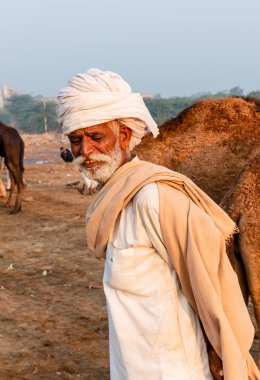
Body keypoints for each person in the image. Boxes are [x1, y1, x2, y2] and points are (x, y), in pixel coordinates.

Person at [57, 69, 259, 380]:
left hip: (175, 369)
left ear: (124, 136)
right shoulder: (115, 198)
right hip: (131, 366)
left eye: (96, 137)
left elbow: (210, 284)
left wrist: (222, 352)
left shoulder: (155, 196)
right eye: (76, 140)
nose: (85, 151)